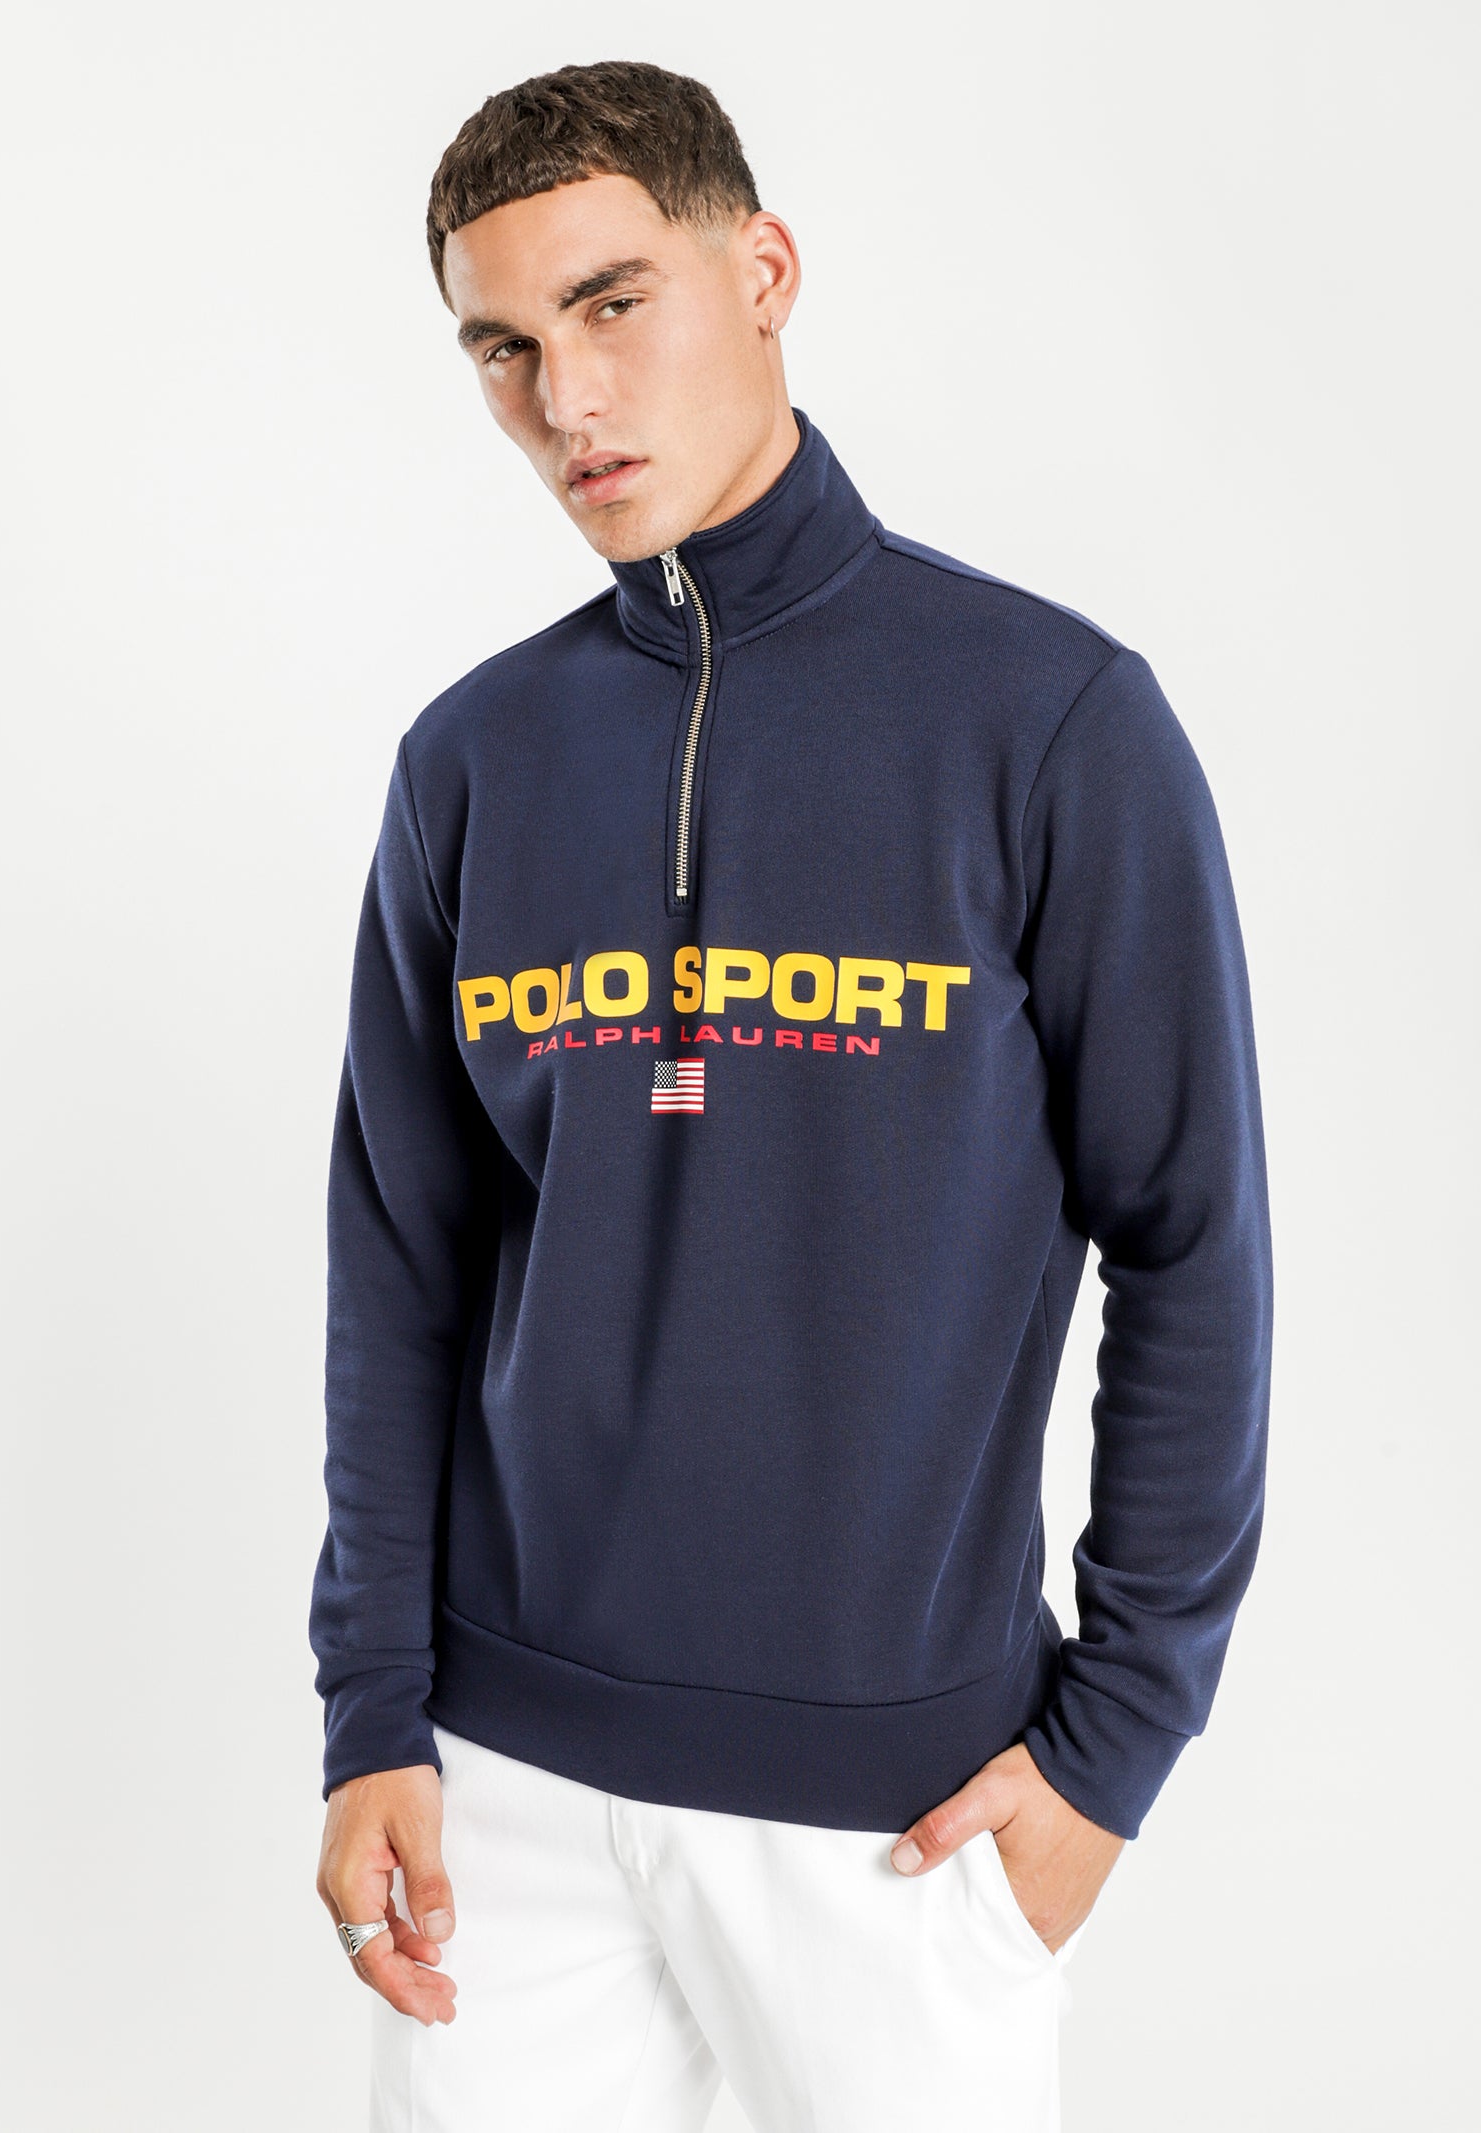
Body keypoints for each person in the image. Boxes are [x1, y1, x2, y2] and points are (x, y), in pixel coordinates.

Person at [309, 56, 1273, 2133]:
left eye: (611, 302)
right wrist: (371, 1710)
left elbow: (1190, 1237)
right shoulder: (471, 761)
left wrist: (1116, 1742)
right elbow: (398, 1265)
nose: (564, 398)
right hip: (504, 1801)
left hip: (897, 1818)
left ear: (760, 269)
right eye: (501, 347)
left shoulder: (1050, 720)